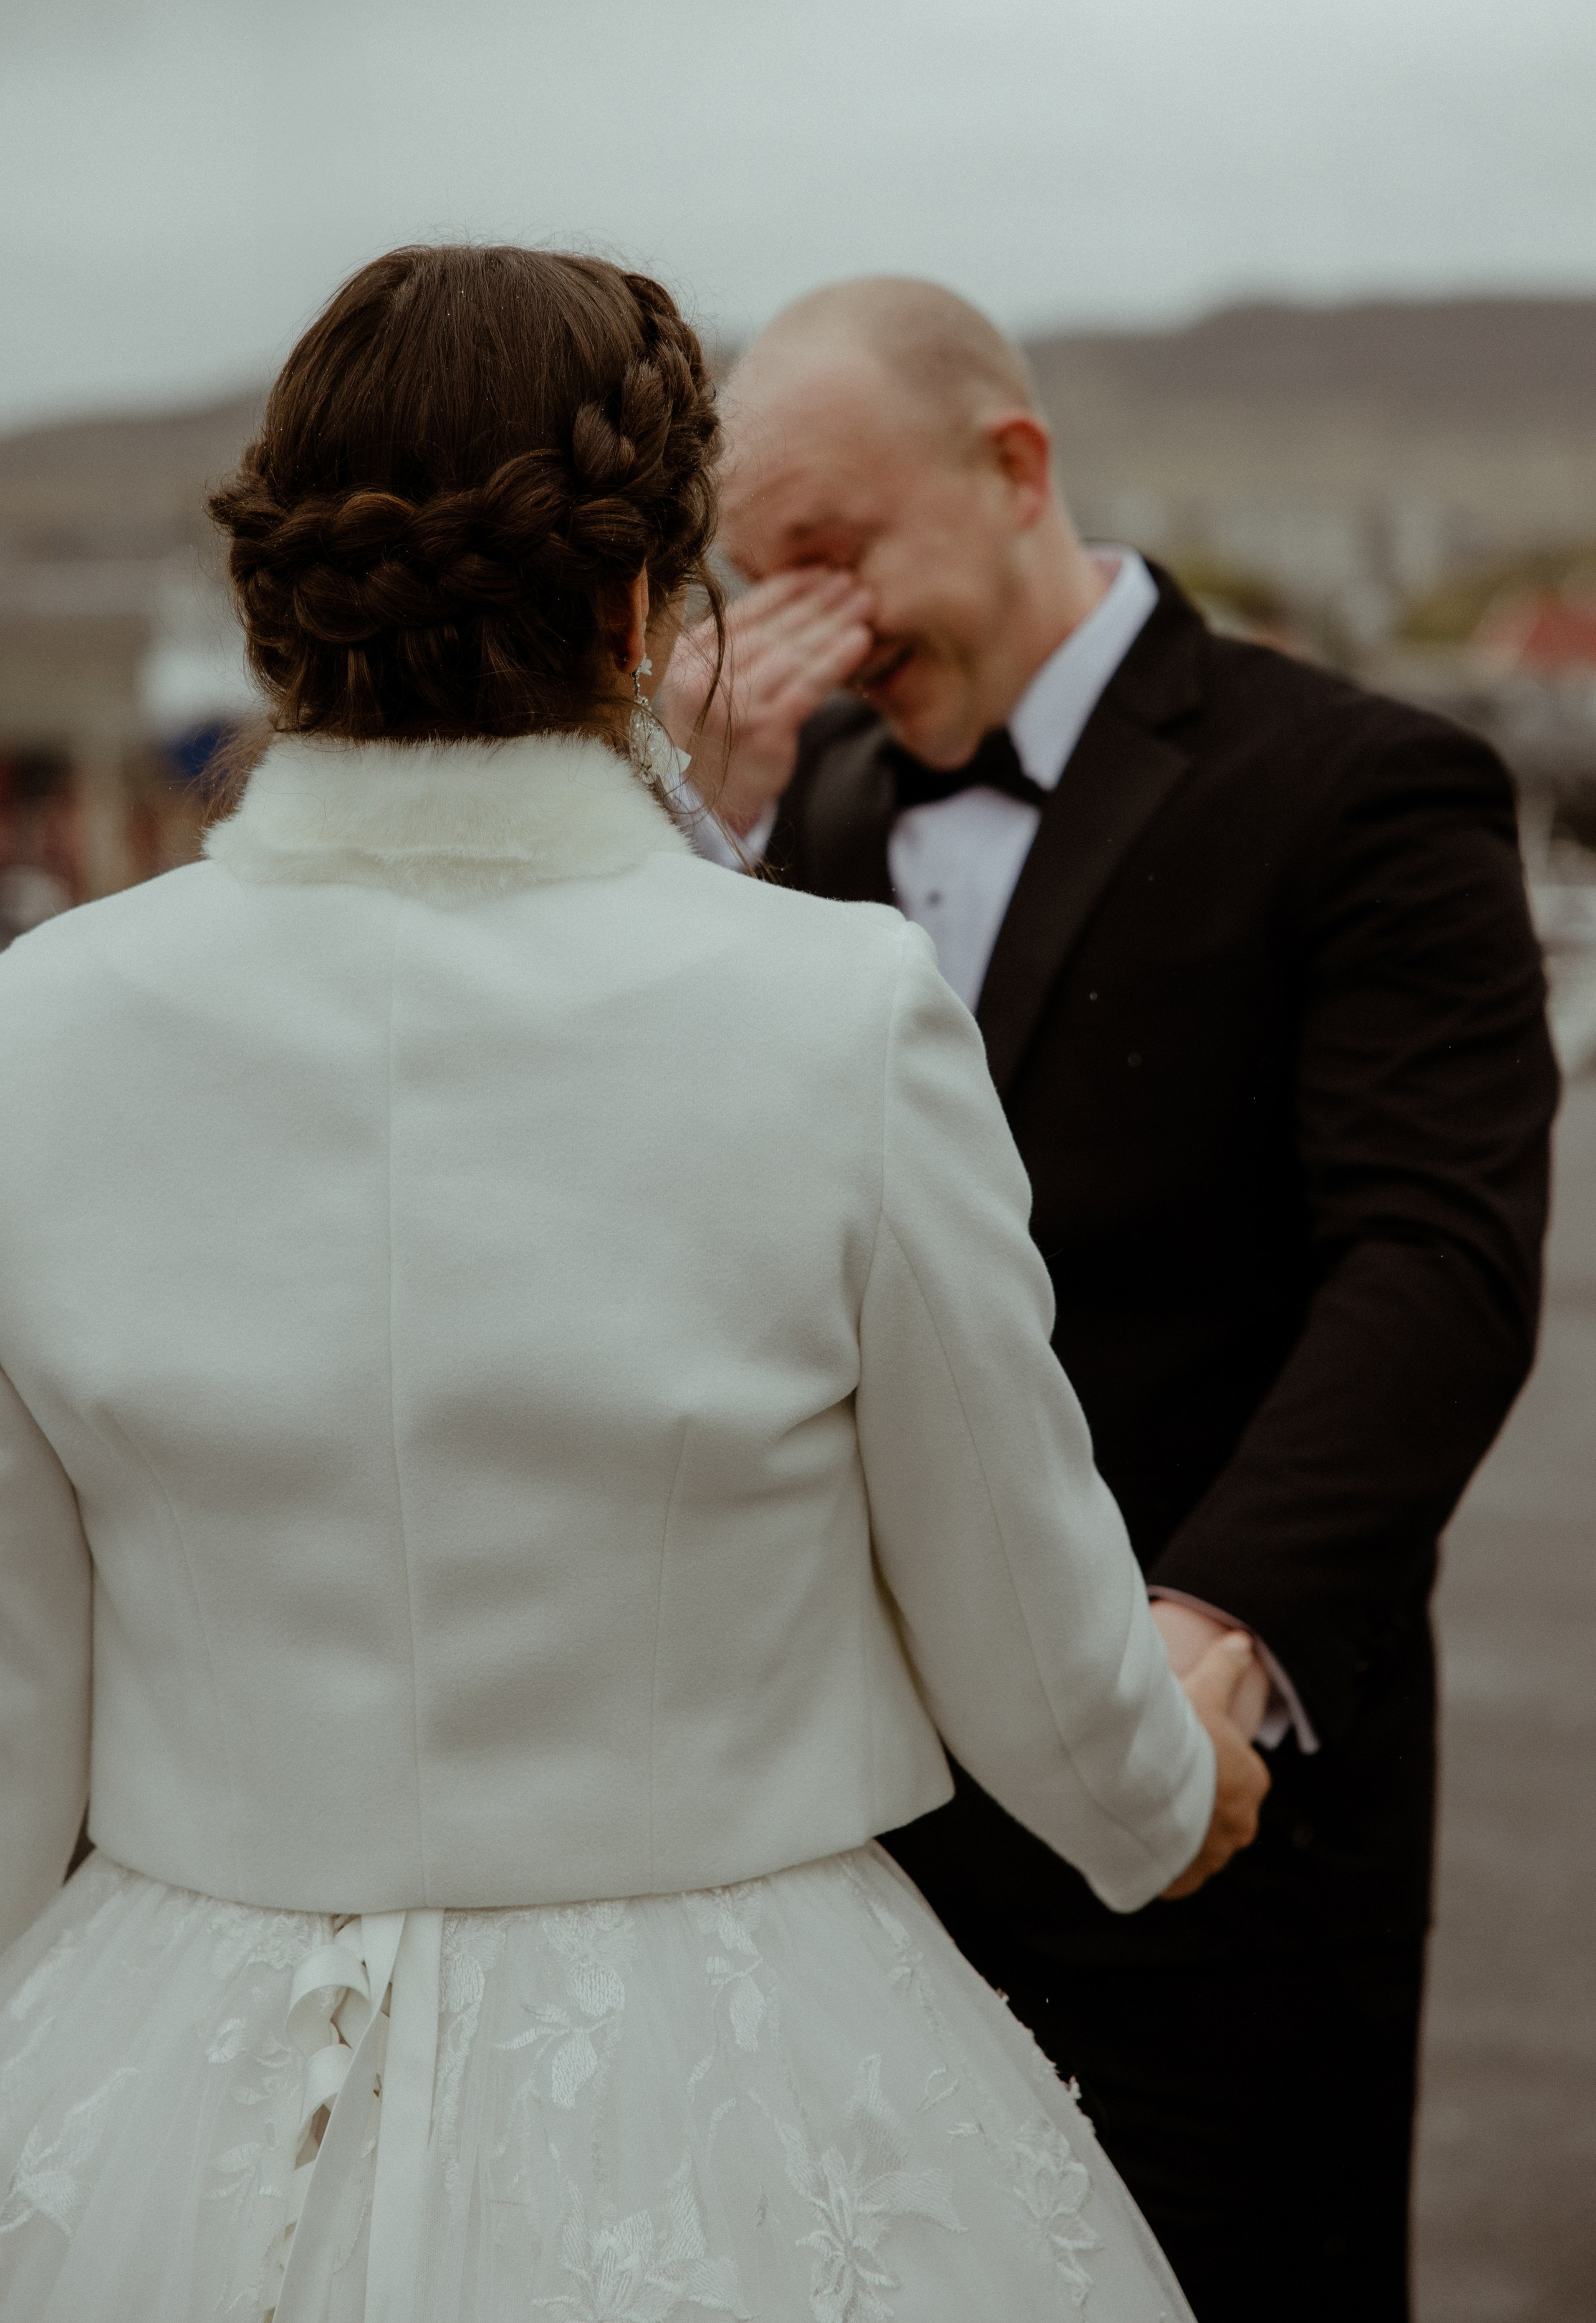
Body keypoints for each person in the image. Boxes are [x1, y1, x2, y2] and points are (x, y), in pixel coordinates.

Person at [0, 245, 1267, 2323]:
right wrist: (1168, 1788)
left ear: (274, 608)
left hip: (173, 2081)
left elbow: (9, 1702)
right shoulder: (838, 1018)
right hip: (745, 2082)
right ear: (636, 611)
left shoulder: (38, 1035)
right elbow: (1023, 1623)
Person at [658, 276, 1559, 2323]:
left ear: (1016, 467)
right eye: (758, 576)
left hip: (1220, 1823)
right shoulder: (794, 820)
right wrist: (698, 828)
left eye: (833, 553)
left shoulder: (1363, 791)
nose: (818, 624)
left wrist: (1214, 1631)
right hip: (859, 1835)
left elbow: (1434, 1263)